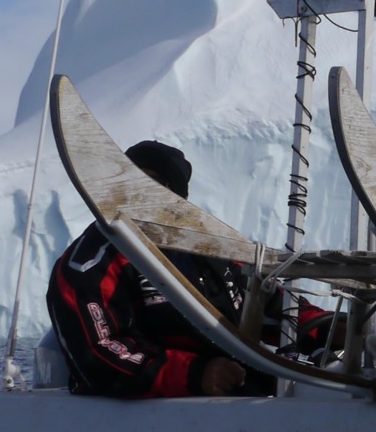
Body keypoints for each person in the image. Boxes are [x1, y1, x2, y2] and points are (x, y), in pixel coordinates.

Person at [45, 139, 254, 398]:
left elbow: (271, 305)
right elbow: (98, 351)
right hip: (152, 418)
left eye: (151, 183)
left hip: (235, 402)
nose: (136, 191)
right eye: (129, 178)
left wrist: (316, 332)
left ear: (175, 197)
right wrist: (195, 375)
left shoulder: (210, 253)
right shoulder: (89, 263)